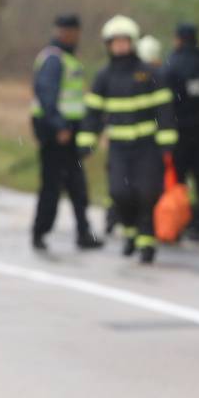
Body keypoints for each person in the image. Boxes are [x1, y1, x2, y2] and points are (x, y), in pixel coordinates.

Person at [77, 15, 178, 265]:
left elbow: (164, 109)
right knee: (120, 193)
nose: (120, 46)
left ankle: (147, 241)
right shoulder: (103, 77)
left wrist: (167, 142)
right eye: (116, 42)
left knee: (147, 192)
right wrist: (86, 142)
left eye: (125, 41)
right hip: (119, 148)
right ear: (108, 45)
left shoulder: (149, 73)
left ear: (132, 43)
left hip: (147, 146)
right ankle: (131, 232)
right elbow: (93, 114)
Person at [30, 14, 104, 251]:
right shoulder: (54, 59)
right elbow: (46, 96)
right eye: (69, 31)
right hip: (56, 133)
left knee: (76, 184)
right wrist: (59, 126)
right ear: (61, 32)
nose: (73, 36)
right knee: (52, 185)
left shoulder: (68, 59)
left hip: (70, 131)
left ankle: (83, 231)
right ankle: (40, 232)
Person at [165, 22, 199, 242]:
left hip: (180, 132)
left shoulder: (173, 64)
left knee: (178, 181)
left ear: (178, 39)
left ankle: (179, 222)